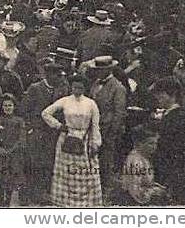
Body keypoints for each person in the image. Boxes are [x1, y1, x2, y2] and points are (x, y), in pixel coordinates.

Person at [41, 72, 102, 207]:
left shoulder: (91, 104)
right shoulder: (65, 100)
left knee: (83, 172)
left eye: (80, 88)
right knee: (66, 172)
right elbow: (45, 113)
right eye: (74, 87)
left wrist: (95, 143)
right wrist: (59, 126)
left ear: (84, 88)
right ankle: (65, 202)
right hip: (67, 139)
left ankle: (83, 203)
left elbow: (95, 125)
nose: (77, 91)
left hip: (84, 140)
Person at [21, 61, 69, 205]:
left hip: (53, 133)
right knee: (34, 163)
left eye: (60, 75)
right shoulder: (35, 88)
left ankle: (45, 193)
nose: (59, 78)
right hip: (37, 131)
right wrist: (30, 128)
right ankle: (31, 193)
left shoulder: (62, 89)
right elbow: (25, 109)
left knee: (49, 163)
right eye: (56, 75)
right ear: (48, 75)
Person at [150, 77, 185, 204]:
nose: (158, 99)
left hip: (173, 169)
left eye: (161, 95)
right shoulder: (175, 114)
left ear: (172, 95)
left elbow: (170, 148)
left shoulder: (175, 118)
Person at [87, 55, 127, 201]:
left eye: (100, 70)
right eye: (96, 70)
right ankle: (95, 189)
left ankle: (107, 192)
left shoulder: (118, 88)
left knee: (106, 161)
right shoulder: (96, 83)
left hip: (107, 129)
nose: (97, 73)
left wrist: (112, 132)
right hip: (93, 127)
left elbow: (119, 112)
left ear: (108, 70)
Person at [0, 93, 26, 206]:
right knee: (0, 177)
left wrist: (11, 150)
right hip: (0, 154)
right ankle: (1, 200)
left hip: (13, 155)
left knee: (10, 179)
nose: (7, 108)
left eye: (10, 105)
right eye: (5, 106)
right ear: (2, 107)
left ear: (14, 106)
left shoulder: (19, 121)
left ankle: (7, 202)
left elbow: (21, 138)